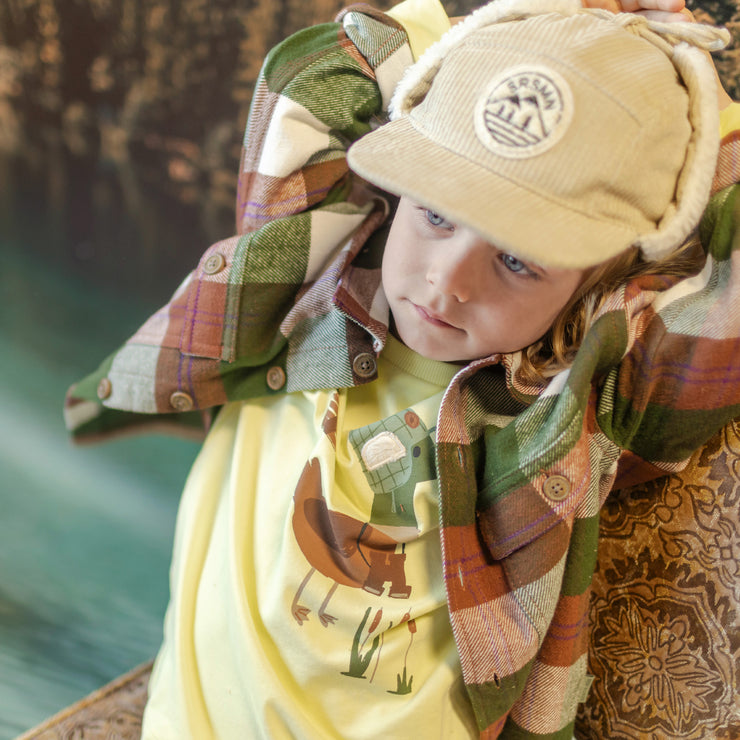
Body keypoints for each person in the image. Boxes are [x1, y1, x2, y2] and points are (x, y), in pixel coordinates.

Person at [63, 0, 740, 736]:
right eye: (437, 213)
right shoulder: (301, 277)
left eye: (517, 259)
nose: (448, 282)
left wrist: (684, 89)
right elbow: (325, 71)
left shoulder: (576, 401)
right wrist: (552, 17)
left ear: (596, 280)